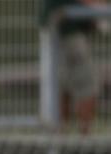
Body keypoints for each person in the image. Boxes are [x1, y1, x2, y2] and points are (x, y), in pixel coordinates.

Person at [41, 0, 100, 133]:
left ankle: (61, 136)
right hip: (69, 36)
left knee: (62, 85)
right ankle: (84, 138)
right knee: (87, 87)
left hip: (57, 35)